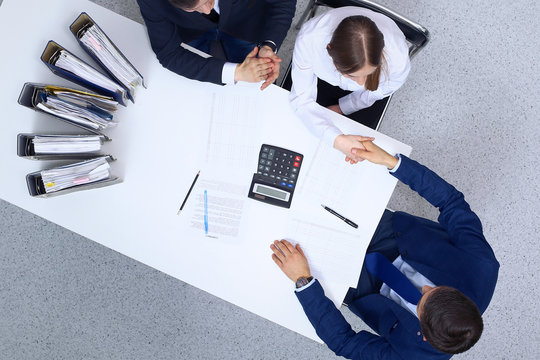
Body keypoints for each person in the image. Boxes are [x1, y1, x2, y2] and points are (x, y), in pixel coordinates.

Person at [270, 141, 499, 359]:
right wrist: (392, 162)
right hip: (394, 236)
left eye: (423, 297)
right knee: (308, 181)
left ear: (425, 337)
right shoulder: (482, 266)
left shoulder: (414, 356)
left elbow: (345, 343)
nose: (426, 286)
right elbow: (451, 202)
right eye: (437, 288)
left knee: (276, 229)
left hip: (361, 287)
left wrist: (303, 281)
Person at [289, 7, 410, 159]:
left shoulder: (397, 59)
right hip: (322, 79)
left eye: (368, 73)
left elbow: (385, 88)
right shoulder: (310, 40)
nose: (361, 83)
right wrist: (337, 140)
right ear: (329, 50)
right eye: (352, 75)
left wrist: (345, 106)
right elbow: (301, 99)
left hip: (369, 94)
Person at [136, 0, 296, 89]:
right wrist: (236, 73)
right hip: (191, 31)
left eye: (208, 0)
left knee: (260, 87)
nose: (207, 11)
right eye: (193, 8)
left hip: (245, 22)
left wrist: (268, 45)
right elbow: (169, 53)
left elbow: (283, 3)